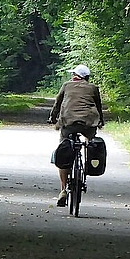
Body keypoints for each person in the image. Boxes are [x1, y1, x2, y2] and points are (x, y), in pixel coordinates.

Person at [48, 64, 105, 207]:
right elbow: (98, 106)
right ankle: (87, 162)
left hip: (69, 122)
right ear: (87, 77)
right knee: (90, 142)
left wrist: (53, 118)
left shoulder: (67, 85)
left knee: (64, 148)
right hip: (89, 122)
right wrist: (100, 121)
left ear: (75, 75)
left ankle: (63, 190)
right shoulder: (93, 88)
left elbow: (58, 103)